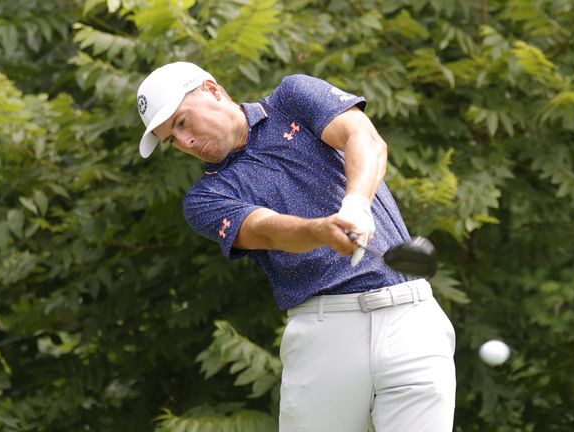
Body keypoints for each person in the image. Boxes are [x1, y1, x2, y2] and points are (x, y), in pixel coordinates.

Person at [135, 61, 456, 431]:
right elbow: (268, 231)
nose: (186, 142)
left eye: (181, 123)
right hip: (324, 332)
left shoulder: (292, 98)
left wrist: (355, 204)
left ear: (211, 89)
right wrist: (322, 230)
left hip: (410, 318)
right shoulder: (207, 197)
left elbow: (363, 139)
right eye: (172, 140)